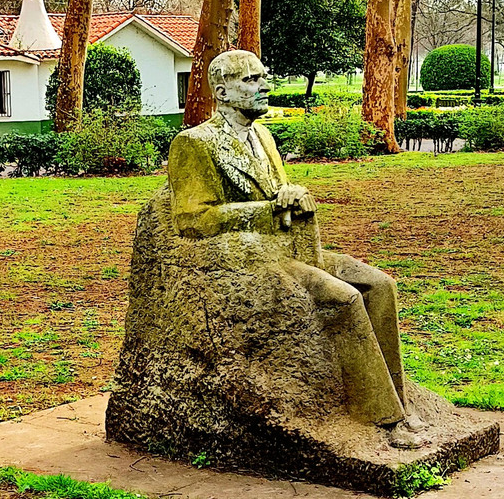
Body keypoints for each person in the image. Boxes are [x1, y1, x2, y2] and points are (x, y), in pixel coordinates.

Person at [167, 49, 426, 449]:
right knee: (343, 300)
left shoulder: (264, 136)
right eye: (251, 80)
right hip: (244, 259)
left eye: (262, 77)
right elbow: (193, 219)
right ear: (221, 91)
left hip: (292, 245)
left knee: (380, 285)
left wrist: (290, 193)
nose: (264, 86)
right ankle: (381, 418)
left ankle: (399, 403)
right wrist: (269, 210)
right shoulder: (194, 143)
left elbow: (278, 195)